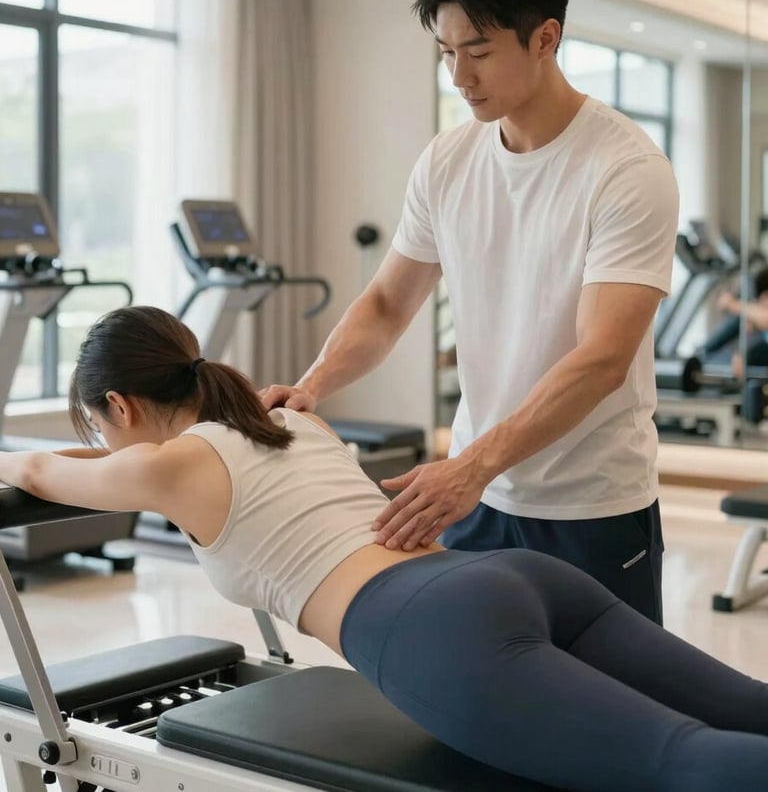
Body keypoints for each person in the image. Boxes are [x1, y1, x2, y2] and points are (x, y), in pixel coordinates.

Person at [0, 305, 767, 792]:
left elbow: (39, 469)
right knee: (744, 712)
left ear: (122, 406)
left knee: (679, 763)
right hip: (506, 576)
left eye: (98, 427)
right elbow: (120, 462)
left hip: (431, 634)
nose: (102, 445)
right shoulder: (292, 422)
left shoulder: (169, 467)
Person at [261, 0, 680, 624]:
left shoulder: (626, 169)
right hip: (475, 497)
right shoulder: (447, 160)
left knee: (610, 714)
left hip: (590, 502)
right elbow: (389, 302)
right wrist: (312, 387)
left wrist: (472, 466)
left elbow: (603, 358)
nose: (460, 76)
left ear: (545, 39)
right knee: (484, 699)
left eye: (479, 51)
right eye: (448, 53)